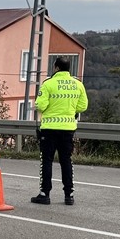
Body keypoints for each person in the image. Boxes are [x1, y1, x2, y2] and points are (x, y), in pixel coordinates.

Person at [30, 57, 88, 205]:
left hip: (49, 129)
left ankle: (45, 193)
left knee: (47, 161)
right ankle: (69, 195)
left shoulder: (48, 84)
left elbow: (41, 106)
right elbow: (82, 107)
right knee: (66, 161)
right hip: (68, 129)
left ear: (55, 67)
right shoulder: (78, 84)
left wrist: (43, 106)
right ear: (69, 68)